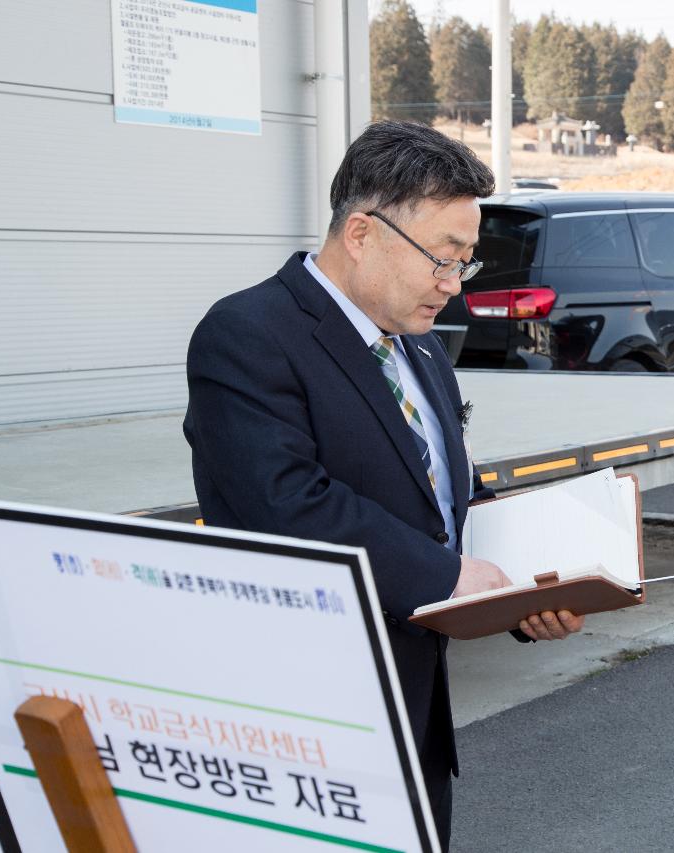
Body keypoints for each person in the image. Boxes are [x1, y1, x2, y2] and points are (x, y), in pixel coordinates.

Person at [183, 120, 583, 848]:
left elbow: (445, 492)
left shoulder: (420, 348)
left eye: (467, 259)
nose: (454, 285)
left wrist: (525, 589)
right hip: (306, 719)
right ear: (362, 233)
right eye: (443, 257)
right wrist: (453, 575)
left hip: (414, 709)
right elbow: (285, 505)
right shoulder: (247, 334)